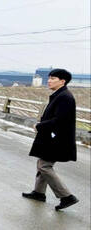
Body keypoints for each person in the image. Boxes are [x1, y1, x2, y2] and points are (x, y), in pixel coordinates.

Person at [22, 68, 79, 211]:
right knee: (42, 163)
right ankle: (39, 193)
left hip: (56, 139)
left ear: (62, 81)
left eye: (53, 78)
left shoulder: (65, 97)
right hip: (51, 137)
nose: (49, 80)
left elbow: (60, 120)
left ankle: (66, 196)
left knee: (44, 166)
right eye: (49, 78)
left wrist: (40, 126)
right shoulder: (59, 95)